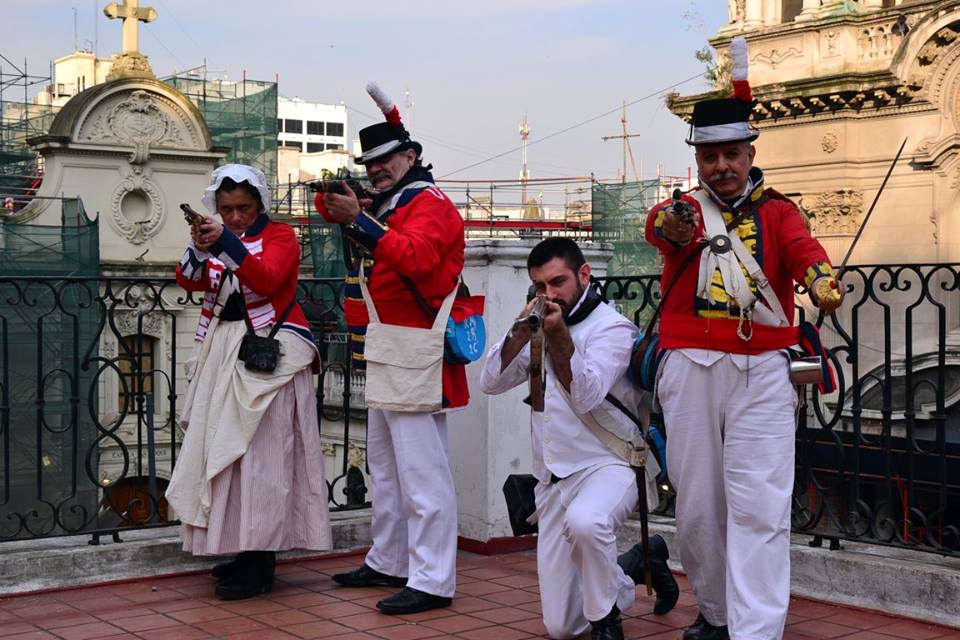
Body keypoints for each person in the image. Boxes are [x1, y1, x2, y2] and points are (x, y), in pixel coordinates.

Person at [644, 37, 844, 640]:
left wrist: (821, 280)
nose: (721, 167)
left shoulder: (779, 211)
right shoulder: (683, 211)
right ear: (698, 160)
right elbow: (662, 229)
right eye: (710, 157)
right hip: (689, 367)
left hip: (762, 371)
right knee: (698, 506)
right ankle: (717, 612)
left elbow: (805, 252)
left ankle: (756, 629)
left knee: (759, 505)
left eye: (730, 154)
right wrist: (674, 224)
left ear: (749, 153)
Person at [314, 83, 466, 615]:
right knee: (385, 465)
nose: (377, 169)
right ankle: (389, 558)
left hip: (414, 347)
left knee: (423, 474)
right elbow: (339, 213)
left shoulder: (428, 204)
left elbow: (417, 258)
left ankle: (433, 578)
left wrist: (358, 217)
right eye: (370, 163)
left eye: (385, 160)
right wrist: (345, 202)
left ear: (411, 157)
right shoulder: (397, 200)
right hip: (388, 346)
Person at [479, 238, 679, 640]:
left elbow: (586, 396)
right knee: (563, 627)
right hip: (553, 477)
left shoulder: (613, 329)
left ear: (584, 275)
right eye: (540, 286)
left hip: (611, 462)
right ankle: (638, 562)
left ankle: (607, 621)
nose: (549, 295)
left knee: (587, 522)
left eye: (558, 282)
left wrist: (558, 338)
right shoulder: (538, 322)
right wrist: (519, 333)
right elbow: (490, 383)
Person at [166, 164, 330, 600]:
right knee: (231, 456)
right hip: (225, 349)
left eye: (244, 207)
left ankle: (261, 563)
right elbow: (188, 279)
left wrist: (224, 241)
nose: (236, 216)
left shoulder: (281, 236)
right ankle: (245, 550)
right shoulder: (221, 238)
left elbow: (268, 278)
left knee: (264, 458)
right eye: (227, 209)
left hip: (270, 355)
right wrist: (200, 246)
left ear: (260, 204)